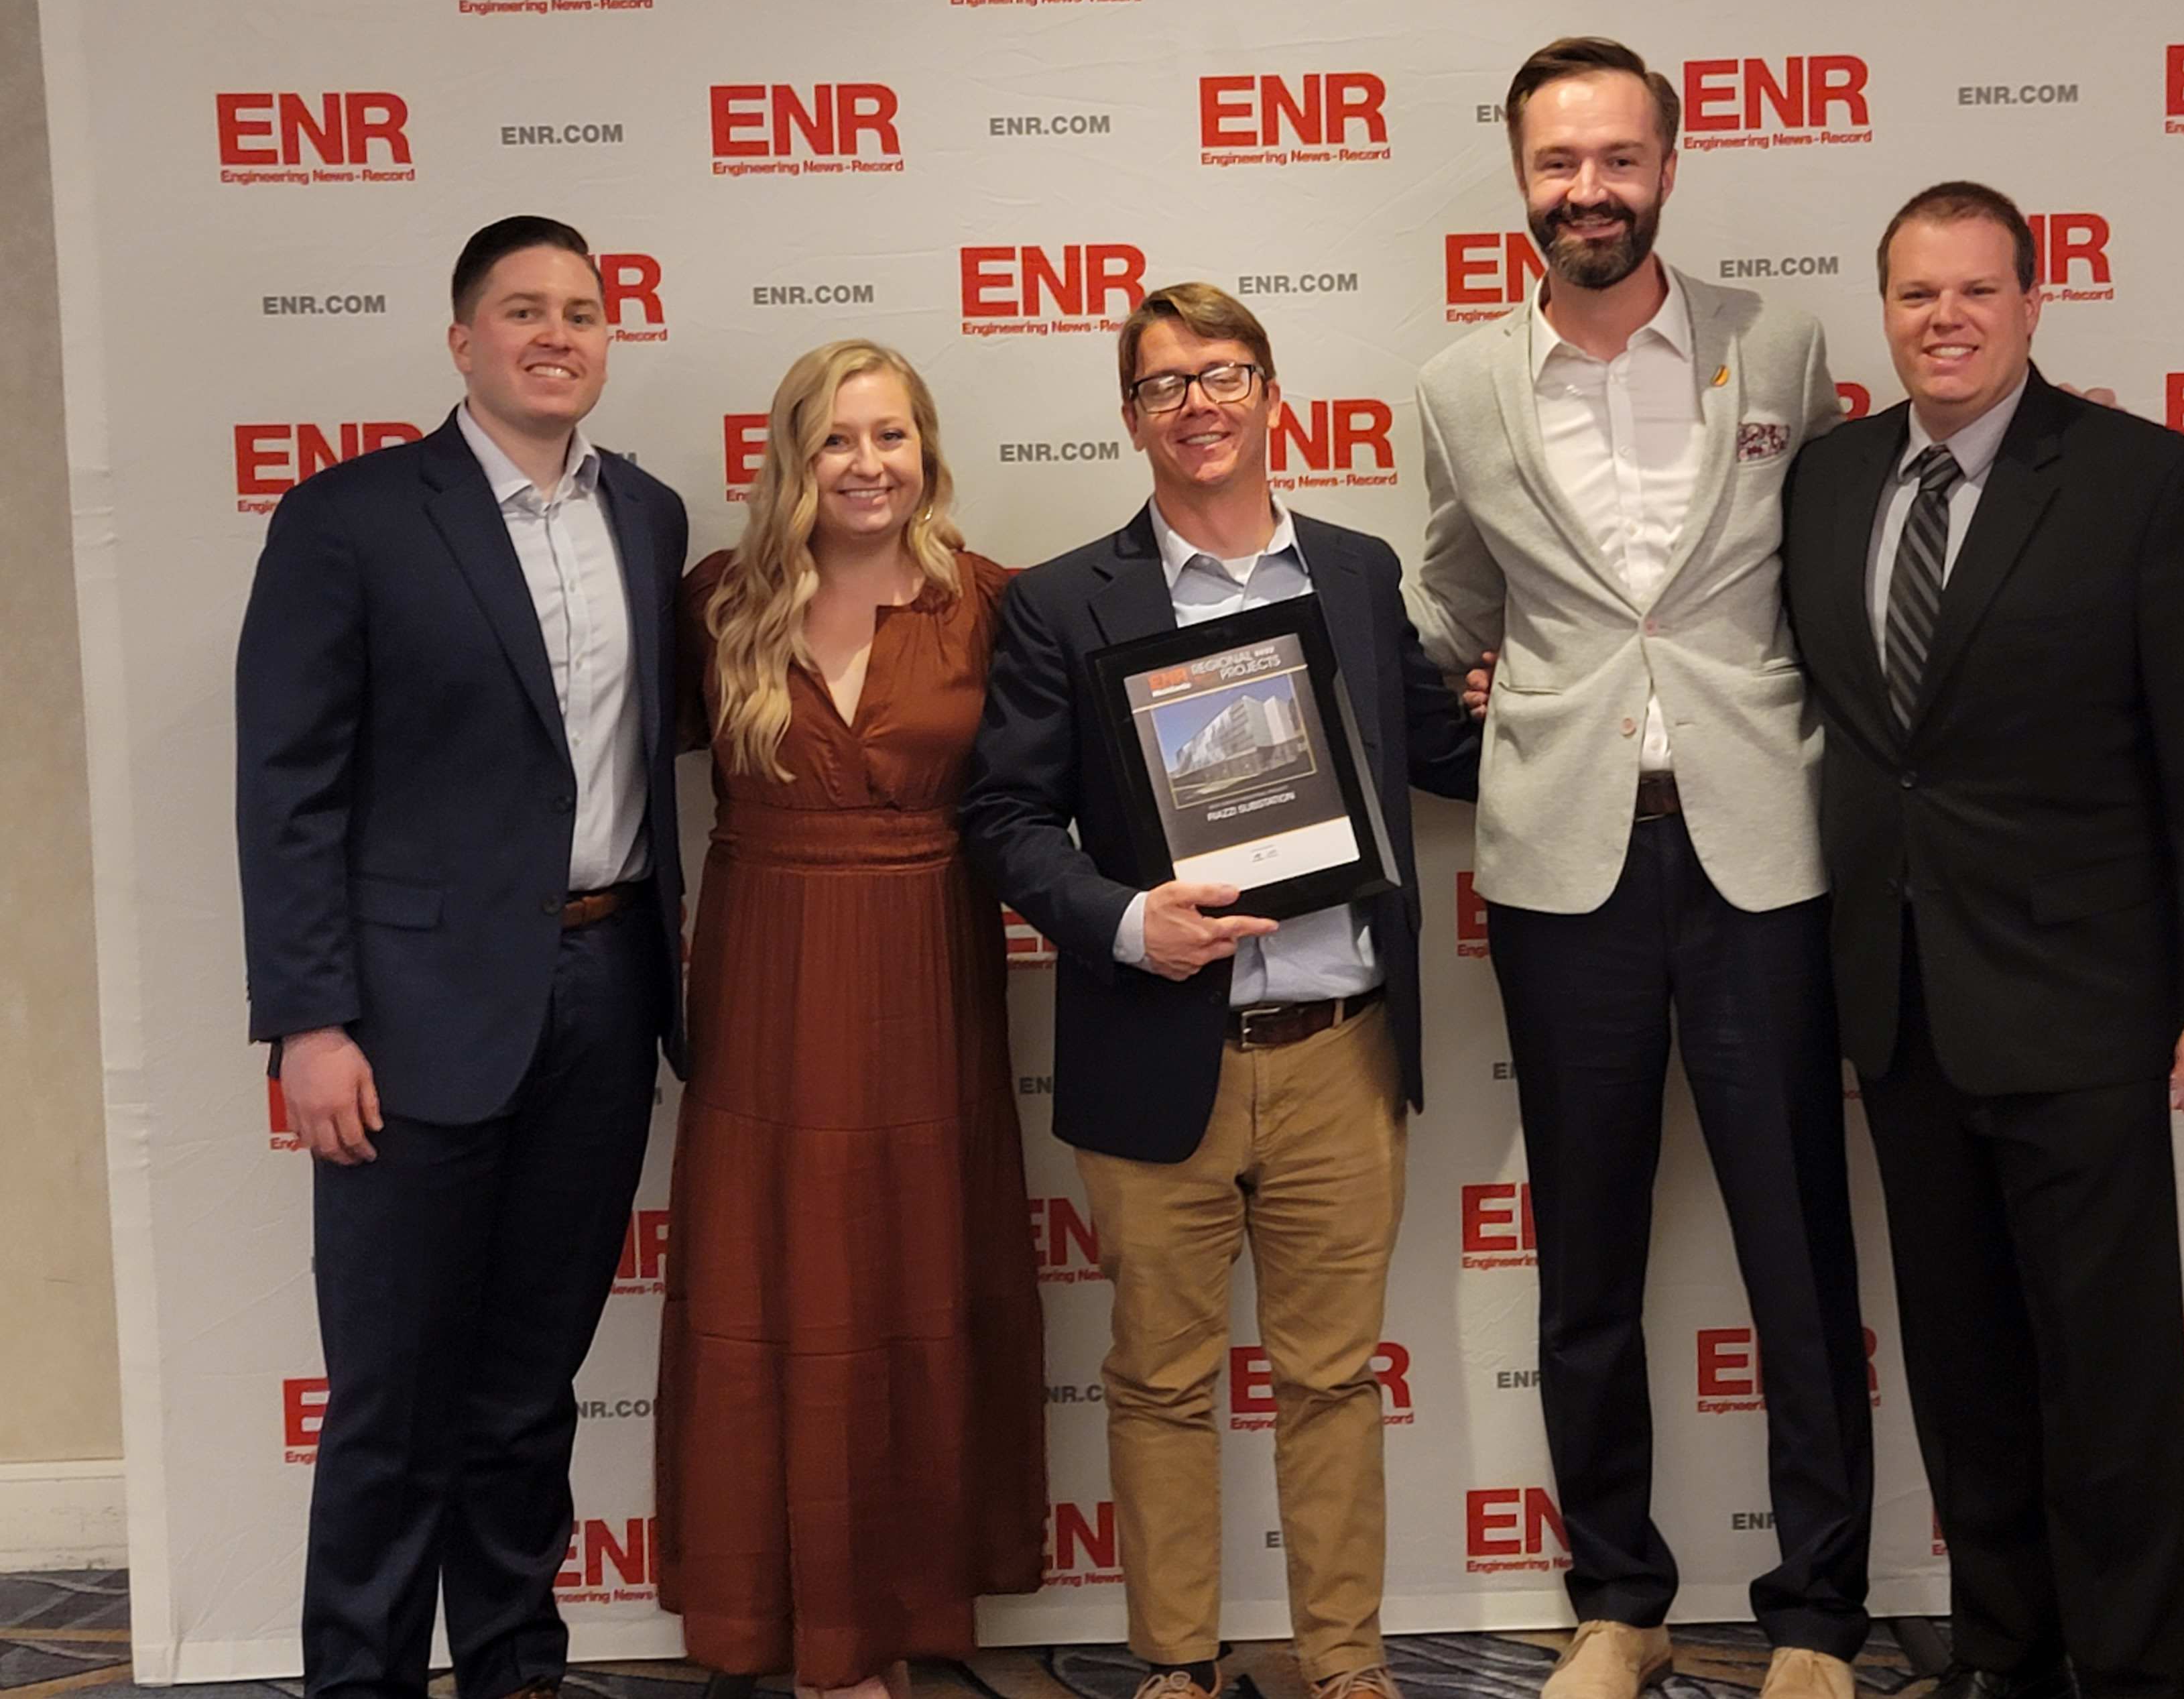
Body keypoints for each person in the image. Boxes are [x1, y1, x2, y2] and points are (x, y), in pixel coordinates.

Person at [1782, 182, 2184, 1699]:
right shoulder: (1824, 483)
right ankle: (2004, 1661)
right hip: (1900, 1003)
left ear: (2031, 301)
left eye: (1974, 293)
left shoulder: (2148, 484)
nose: (1942, 320)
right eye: (1914, 294)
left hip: (2085, 1010)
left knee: (2107, 1384)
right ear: (1881, 310)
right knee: (1964, 1377)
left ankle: (2128, 1675)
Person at [1403, 36, 1867, 1699]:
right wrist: (1501, 688)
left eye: (1615, 160)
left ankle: (1817, 1612)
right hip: (1562, 869)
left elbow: (1834, 558)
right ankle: (1619, 1597)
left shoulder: (1784, 345)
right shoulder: (1460, 387)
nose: (1584, 192)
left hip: (1760, 850)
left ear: (1666, 167)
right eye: (1554, 164)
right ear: (1517, 178)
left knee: (1797, 1247)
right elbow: (1452, 599)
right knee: (1583, 1255)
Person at [961, 283, 1478, 1699]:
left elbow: (1442, 753)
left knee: (1330, 1380)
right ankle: (1176, 1668)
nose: (1196, 403)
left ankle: (1347, 1668)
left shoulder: (1361, 576)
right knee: (1158, 1382)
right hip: (1153, 1045)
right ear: (1128, 417)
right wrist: (1124, 920)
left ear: (1270, 393)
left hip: (1340, 1051)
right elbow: (1003, 818)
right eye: (1163, 384)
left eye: (1223, 374)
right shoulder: (1061, 602)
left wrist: (1578, 698)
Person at [236, 215, 687, 1699]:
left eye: (582, 310)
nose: (555, 333)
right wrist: (310, 1021)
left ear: (611, 337)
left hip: (606, 993)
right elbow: (289, 785)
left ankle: (513, 1664)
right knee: (390, 1397)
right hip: (407, 1021)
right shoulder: (350, 517)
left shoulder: (651, 519)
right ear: (461, 340)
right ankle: (358, 1678)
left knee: (526, 1388)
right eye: (520, 311)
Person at [653, 340, 1046, 1699]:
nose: (866, 464)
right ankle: (794, 1629)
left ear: (926, 453)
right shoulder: (718, 603)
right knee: (782, 1282)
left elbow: (1086, 775)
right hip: (766, 977)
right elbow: (584, 755)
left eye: (890, 437)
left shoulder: (990, 603)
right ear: (791, 460)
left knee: (913, 1274)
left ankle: (903, 1610)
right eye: (836, 439)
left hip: (928, 975)